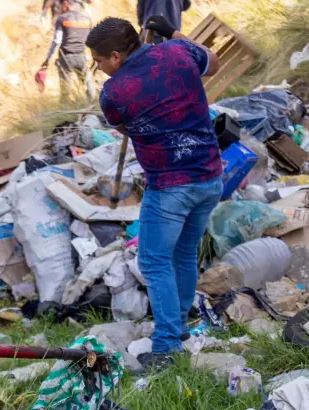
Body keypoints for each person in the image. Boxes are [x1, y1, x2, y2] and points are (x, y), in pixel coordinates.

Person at [85, 16, 221, 360]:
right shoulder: (177, 51)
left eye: (99, 61)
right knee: (185, 253)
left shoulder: (115, 92)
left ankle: (166, 348)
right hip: (210, 175)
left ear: (115, 56)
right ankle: (180, 326)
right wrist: (173, 32)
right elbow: (214, 63)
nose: (98, 68)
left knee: (154, 261)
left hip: (171, 186)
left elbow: (124, 125)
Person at [41, 0, 94, 102]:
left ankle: (65, 113)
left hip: (65, 58)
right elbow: (93, 41)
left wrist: (47, 59)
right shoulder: (87, 19)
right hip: (81, 57)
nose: (58, 9)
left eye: (59, 6)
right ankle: (94, 105)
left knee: (66, 92)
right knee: (88, 85)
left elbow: (57, 41)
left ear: (65, 4)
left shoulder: (62, 19)